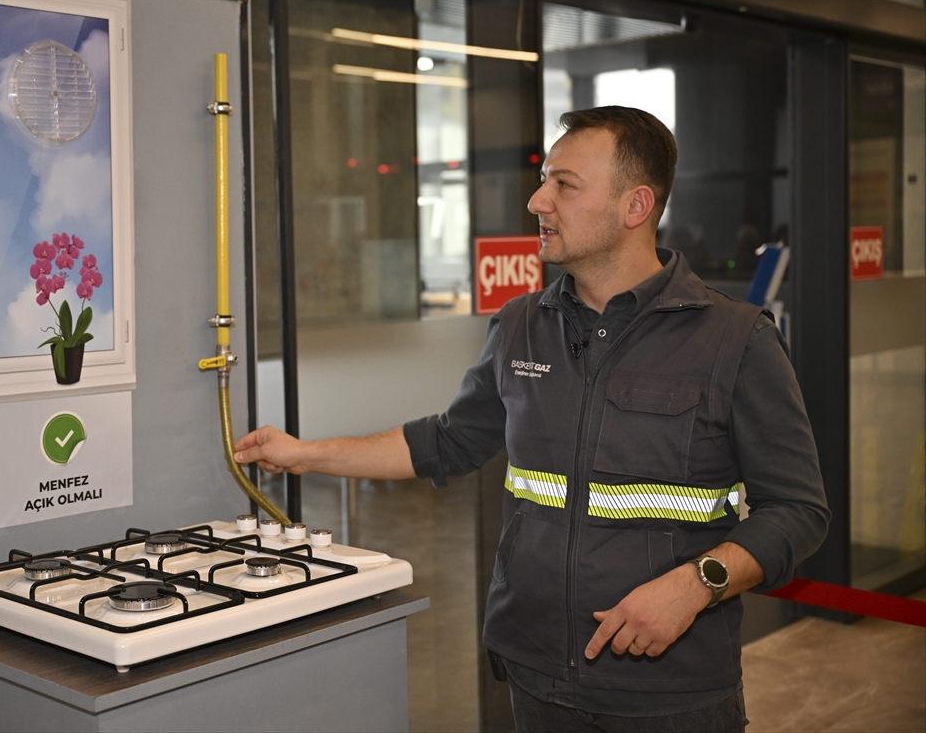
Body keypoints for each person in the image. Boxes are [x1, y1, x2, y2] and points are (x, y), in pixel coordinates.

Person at [234, 106, 830, 733]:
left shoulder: (735, 339)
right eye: (545, 180)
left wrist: (696, 584)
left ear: (636, 205)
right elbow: (448, 441)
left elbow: (798, 510)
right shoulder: (520, 325)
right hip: (534, 670)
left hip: (670, 688)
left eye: (564, 185)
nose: (537, 200)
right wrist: (302, 453)